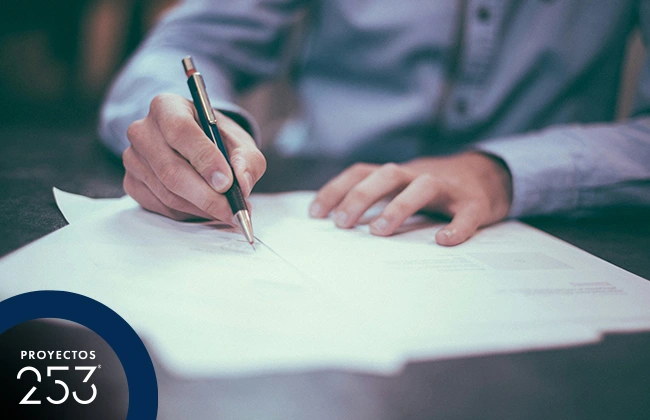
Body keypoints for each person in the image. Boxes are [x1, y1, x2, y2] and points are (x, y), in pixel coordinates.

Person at [99, 0, 650, 246]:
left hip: (559, 225)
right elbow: (179, 48)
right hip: (318, 202)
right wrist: (187, 128)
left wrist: (503, 172)